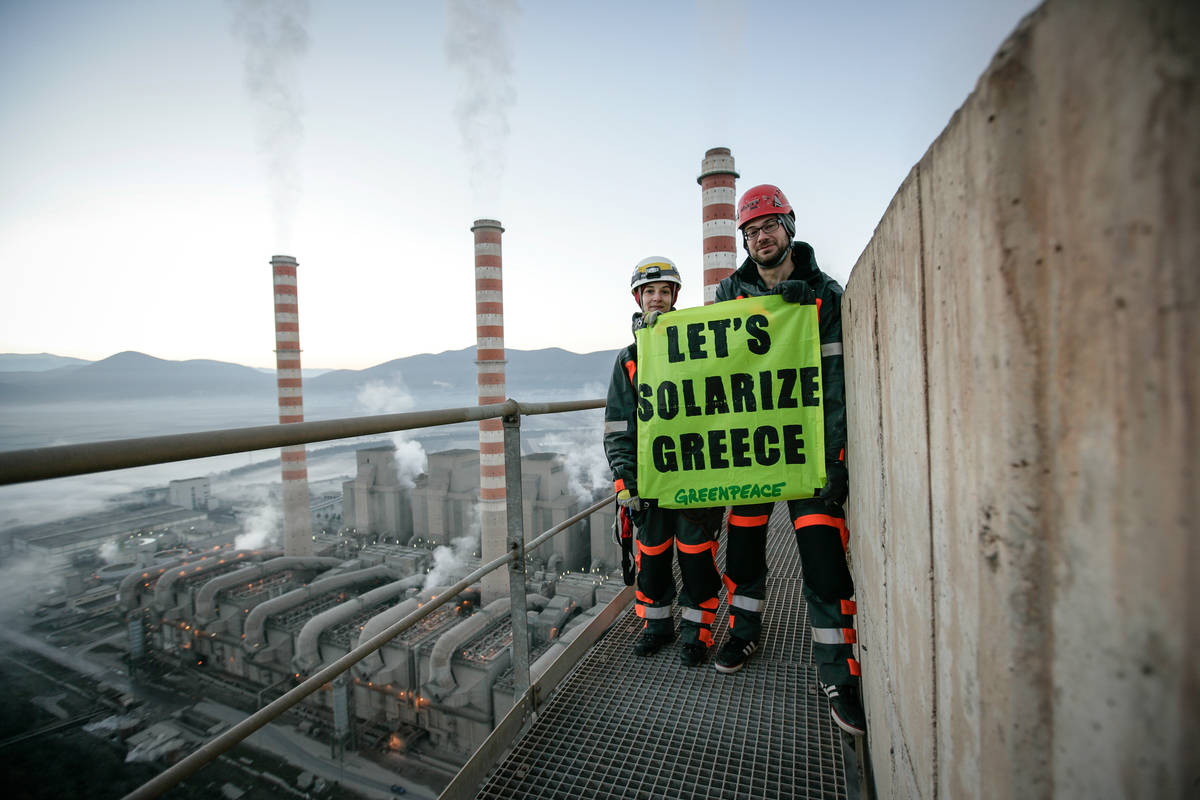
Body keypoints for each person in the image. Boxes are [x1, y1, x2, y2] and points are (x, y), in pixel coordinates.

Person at [711, 184, 866, 737]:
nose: (760, 237)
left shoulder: (825, 293)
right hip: (751, 453)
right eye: (750, 231)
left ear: (790, 226)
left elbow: (838, 382)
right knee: (745, 547)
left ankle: (838, 675)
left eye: (769, 225)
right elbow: (704, 364)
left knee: (824, 559)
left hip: (807, 452)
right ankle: (744, 629)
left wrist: (836, 457)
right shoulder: (730, 294)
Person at [603, 257, 725, 667]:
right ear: (639, 298)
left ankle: (697, 632)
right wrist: (625, 481)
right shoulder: (629, 359)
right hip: (651, 483)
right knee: (651, 558)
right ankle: (656, 626)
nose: (657, 298)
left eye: (665, 292)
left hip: (695, 478)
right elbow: (619, 425)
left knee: (697, 557)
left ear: (675, 298)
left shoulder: (698, 348)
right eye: (650, 292)